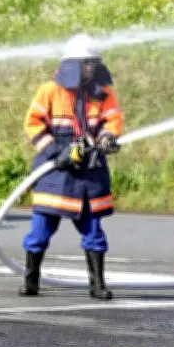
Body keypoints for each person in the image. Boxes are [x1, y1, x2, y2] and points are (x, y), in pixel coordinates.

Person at [19, 33, 123, 300]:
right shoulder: (49, 91)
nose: (91, 68)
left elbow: (112, 120)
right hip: (55, 172)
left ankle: (97, 284)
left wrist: (107, 138)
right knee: (39, 232)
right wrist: (57, 152)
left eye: (94, 63)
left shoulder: (103, 94)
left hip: (89, 174)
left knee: (94, 232)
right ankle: (31, 280)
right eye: (86, 63)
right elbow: (33, 124)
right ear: (72, 65)